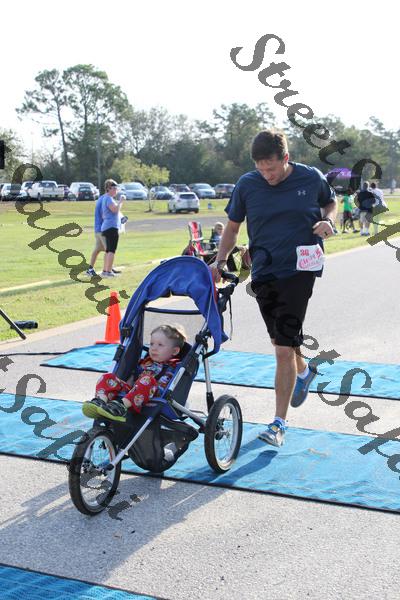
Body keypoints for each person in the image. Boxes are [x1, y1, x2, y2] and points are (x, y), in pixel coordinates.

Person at [210, 130, 337, 447]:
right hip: (263, 270)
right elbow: (233, 228)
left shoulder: (310, 177)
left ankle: (278, 423)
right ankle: (304, 371)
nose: (267, 175)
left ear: (286, 159)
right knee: (281, 339)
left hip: (300, 268)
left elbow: (330, 202)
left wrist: (329, 221)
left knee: (282, 347)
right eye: (261, 169)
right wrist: (220, 261)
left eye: (272, 168)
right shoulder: (247, 184)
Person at [82, 324, 187, 422]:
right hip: (133, 393)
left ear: (174, 351)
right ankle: (100, 402)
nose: (154, 348)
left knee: (147, 379)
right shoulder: (145, 362)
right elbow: (133, 377)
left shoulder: (175, 367)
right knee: (107, 377)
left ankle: (120, 407)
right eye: (151, 344)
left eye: (160, 345)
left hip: (155, 397)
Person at [100, 179, 124, 277]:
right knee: (111, 250)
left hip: (107, 227)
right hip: (111, 227)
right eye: (114, 188)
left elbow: (104, 214)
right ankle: (108, 271)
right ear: (108, 189)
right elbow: (115, 210)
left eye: (116, 188)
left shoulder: (106, 198)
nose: (116, 190)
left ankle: (105, 270)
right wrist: (121, 202)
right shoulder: (109, 198)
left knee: (108, 250)